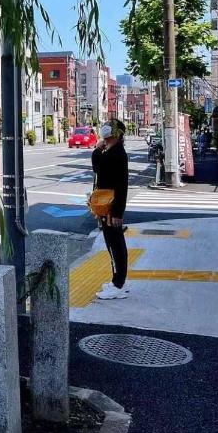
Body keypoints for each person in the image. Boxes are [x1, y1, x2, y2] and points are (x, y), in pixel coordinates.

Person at [92, 119, 129, 300]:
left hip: (111, 207)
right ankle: (118, 280)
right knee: (114, 243)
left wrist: (116, 213)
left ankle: (118, 284)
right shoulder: (113, 152)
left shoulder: (117, 154)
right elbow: (98, 168)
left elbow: (122, 186)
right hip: (109, 206)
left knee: (115, 245)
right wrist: (100, 149)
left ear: (116, 134)